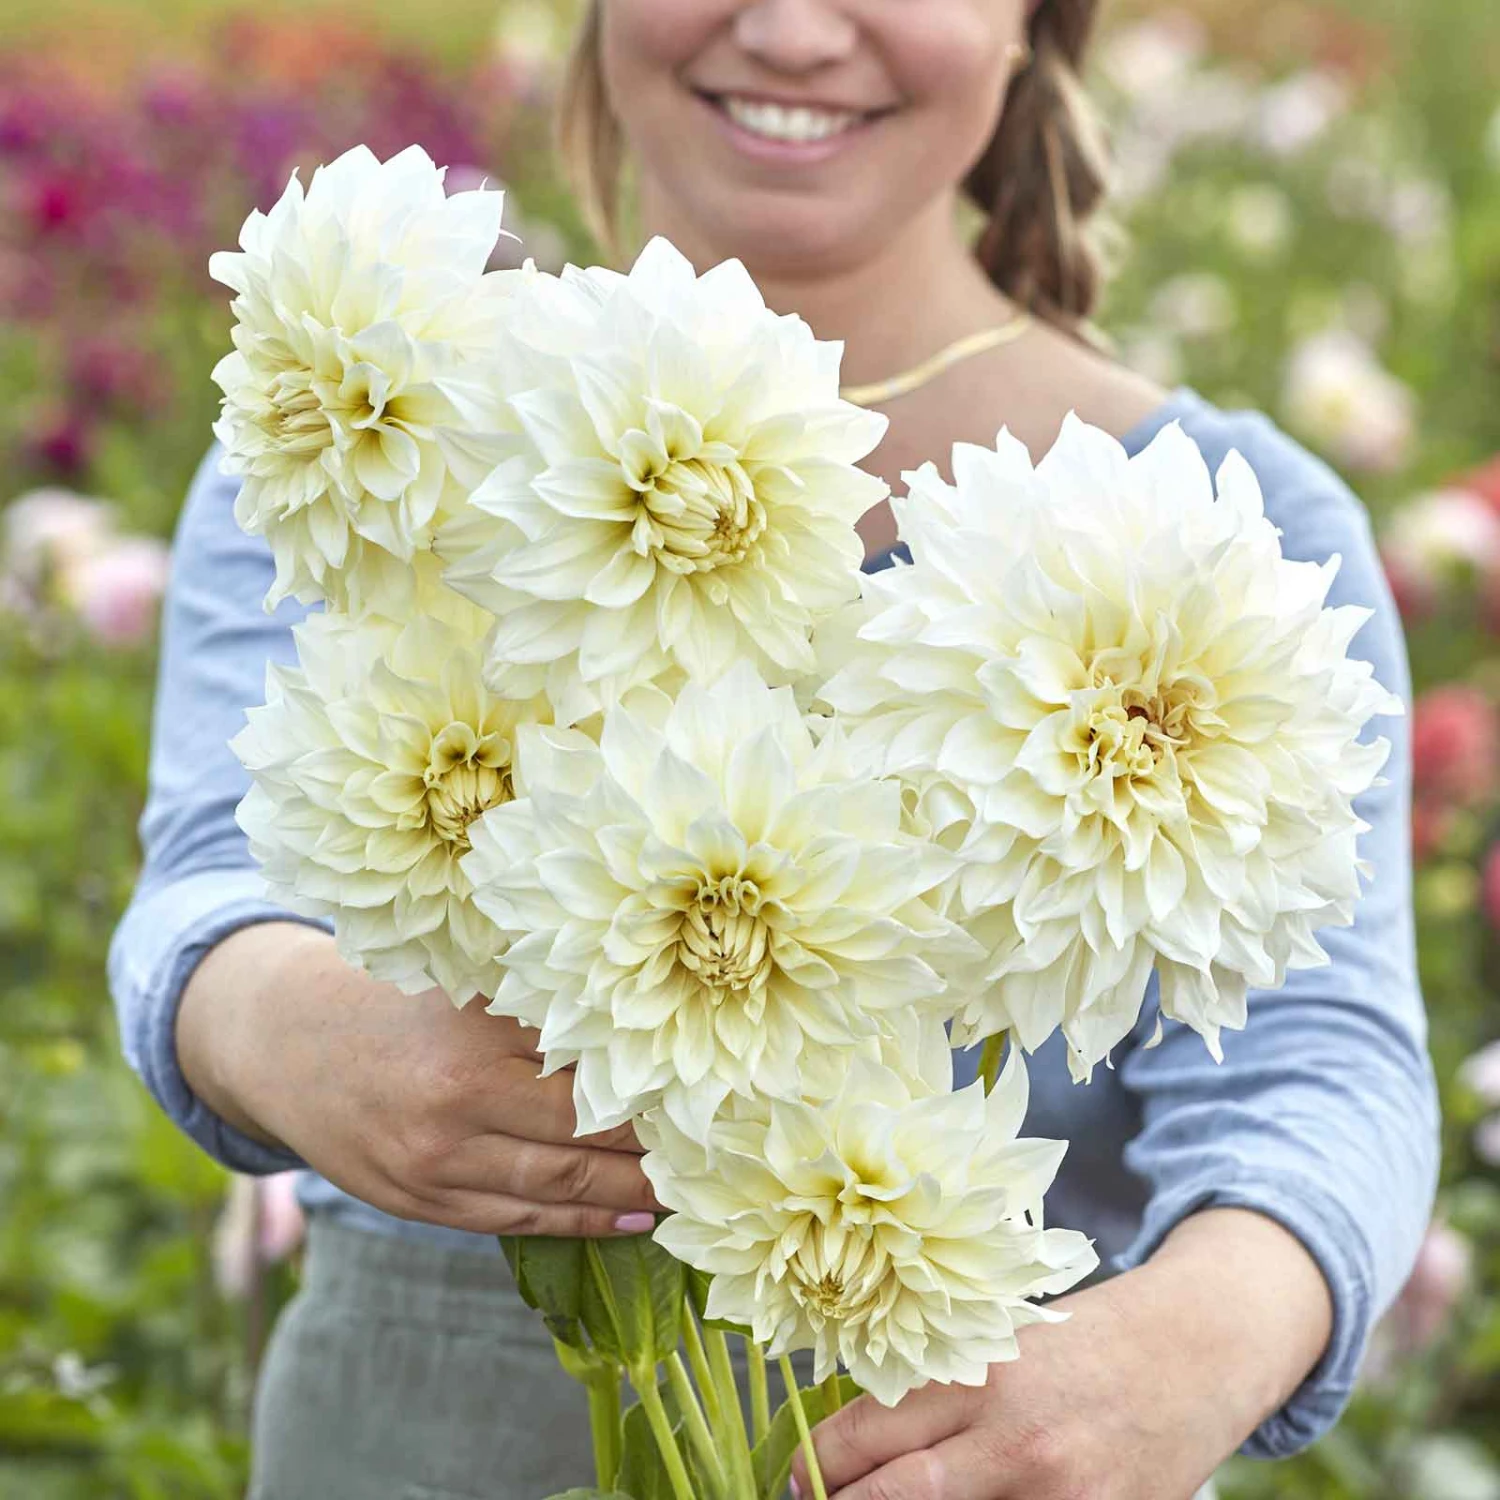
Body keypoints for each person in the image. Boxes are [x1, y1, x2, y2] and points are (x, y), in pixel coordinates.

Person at [108, 2, 1439, 1497]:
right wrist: (286, 1022)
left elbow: (1327, 1069)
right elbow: (211, 881)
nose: (798, 27)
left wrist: (1179, 1356)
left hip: (977, 1438)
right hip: (431, 1419)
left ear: (1035, 22)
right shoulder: (374, 407)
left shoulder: (1239, 524)